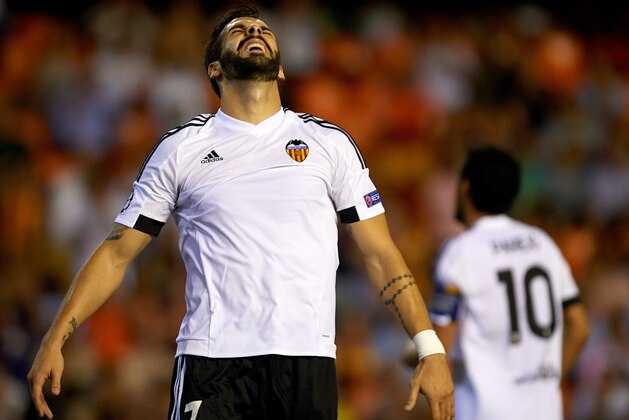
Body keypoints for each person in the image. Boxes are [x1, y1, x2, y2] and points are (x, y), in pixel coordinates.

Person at [27, 4, 454, 419]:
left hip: (305, 362)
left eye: (263, 29)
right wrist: (55, 337)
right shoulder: (181, 149)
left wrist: (429, 347)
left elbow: (380, 254)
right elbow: (117, 253)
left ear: (281, 69)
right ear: (215, 69)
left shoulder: (330, 143)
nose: (254, 32)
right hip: (212, 362)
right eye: (239, 29)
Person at [402, 146, 590, 420]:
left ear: (465, 188)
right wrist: (547, 383)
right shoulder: (542, 244)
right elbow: (580, 327)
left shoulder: (461, 252)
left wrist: (416, 354)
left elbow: (440, 350)